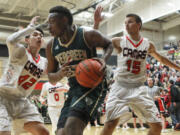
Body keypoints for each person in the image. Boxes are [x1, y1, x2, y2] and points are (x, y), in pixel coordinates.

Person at [100, 13, 180, 135]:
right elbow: (98, 43)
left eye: (130, 22)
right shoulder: (119, 41)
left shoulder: (148, 44)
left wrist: (178, 67)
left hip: (139, 87)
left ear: (138, 25)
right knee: (110, 124)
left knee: (157, 126)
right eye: (125, 23)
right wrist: (97, 24)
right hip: (120, 86)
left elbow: (162, 59)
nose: (126, 25)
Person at [46, 6, 113, 135]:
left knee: (72, 128)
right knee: (60, 132)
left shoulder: (87, 34)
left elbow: (108, 44)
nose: (49, 27)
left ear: (64, 20)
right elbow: (50, 77)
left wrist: (104, 59)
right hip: (74, 88)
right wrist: (60, 74)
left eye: (52, 22)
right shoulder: (51, 45)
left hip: (93, 87)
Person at [0, 16, 49, 135]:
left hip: (21, 101)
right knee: (4, 133)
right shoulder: (20, 51)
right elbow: (10, 40)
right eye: (35, 34)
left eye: (41, 36)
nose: (39, 37)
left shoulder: (44, 61)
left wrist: (63, 71)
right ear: (27, 39)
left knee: (43, 132)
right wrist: (30, 28)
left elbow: (50, 77)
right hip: (2, 97)